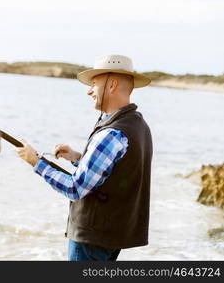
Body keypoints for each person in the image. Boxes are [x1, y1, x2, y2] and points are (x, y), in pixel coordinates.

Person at [16, 55, 153, 261]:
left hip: (93, 239)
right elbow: (116, 172)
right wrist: (77, 157)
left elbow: (75, 188)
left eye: (94, 85)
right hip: (111, 237)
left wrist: (36, 163)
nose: (89, 91)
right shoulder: (138, 125)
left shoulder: (112, 134)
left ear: (112, 85)